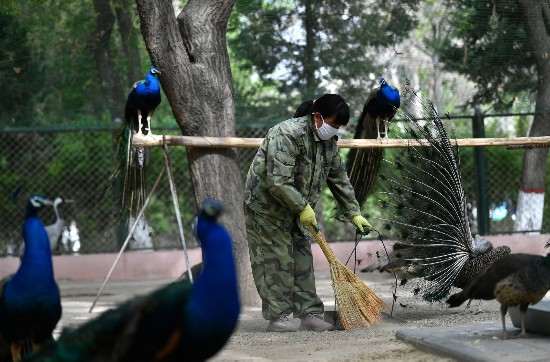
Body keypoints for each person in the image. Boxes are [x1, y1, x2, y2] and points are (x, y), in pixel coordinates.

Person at [243, 94, 372, 332]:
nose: (334, 129)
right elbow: (278, 181)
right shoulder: (286, 134)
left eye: (338, 126)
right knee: (276, 260)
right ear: (316, 117)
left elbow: (339, 179)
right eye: (332, 123)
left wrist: (354, 213)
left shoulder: (328, 142)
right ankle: (279, 316)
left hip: (298, 209)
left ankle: (309, 313)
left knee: (303, 259)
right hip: (266, 208)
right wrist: (302, 207)